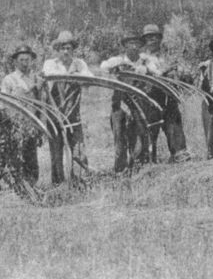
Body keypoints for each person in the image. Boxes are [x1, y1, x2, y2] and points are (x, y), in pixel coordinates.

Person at [42, 31, 93, 184]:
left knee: (78, 150)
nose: (65, 51)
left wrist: (79, 75)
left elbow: (89, 78)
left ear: (73, 49)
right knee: (56, 152)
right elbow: (48, 75)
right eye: (62, 48)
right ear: (58, 49)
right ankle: (58, 185)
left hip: (73, 115)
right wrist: (72, 74)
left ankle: (80, 184)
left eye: (68, 48)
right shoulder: (50, 63)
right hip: (55, 115)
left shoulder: (79, 63)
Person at [100, 32, 151, 172]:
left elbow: (156, 72)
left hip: (139, 105)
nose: (134, 47)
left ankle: (137, 170)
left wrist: (145, 70)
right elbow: (103, 67)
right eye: (130, 44)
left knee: (139, 138)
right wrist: (117, 65)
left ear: (140, 46)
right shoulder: (118, 60)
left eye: (137, 44)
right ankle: (120, 171)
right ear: (125, 46)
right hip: (120, 105)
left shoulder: (145, 62)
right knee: (120, 139)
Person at [140, 24, 190, 163]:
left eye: (154, 37)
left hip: (168, 97)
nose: (152, 40)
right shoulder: (142, 57)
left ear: (159, 38)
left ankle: (179, 155)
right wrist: (166, 70)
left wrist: (179, 71)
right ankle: (148, 160)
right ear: (145, 40)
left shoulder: (168, 55)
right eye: (149, 37)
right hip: (149, 98)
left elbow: (182, 72)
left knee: (173, 126)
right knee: (149, 129)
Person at [0, 45, 44, 184]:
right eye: (21, 60)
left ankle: (32, 186)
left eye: (27, 60)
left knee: (31, 158)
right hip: (16, 126)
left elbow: (41, 104)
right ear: (15, 62)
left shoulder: (36, 78)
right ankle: (20, 188)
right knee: (17, 159)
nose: (25, 63)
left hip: (32, 124)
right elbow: (3, 105)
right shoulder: (9, 80)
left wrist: (40, 127)